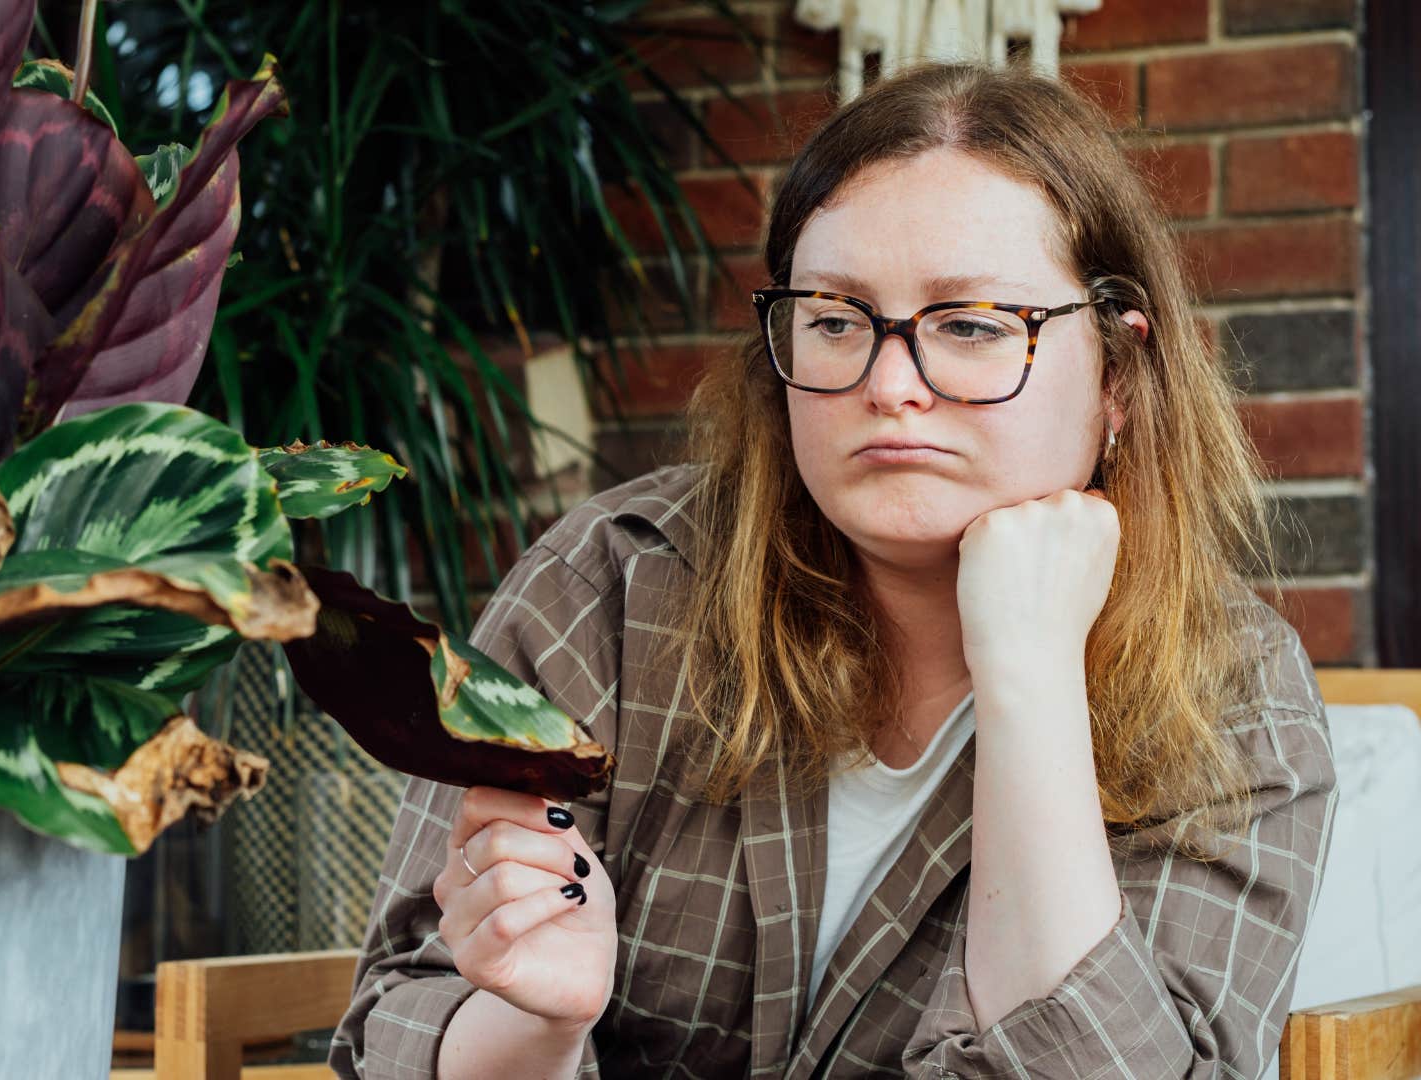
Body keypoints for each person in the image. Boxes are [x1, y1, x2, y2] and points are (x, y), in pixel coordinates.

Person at [327, 60, 1337, 1079]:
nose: (890, 384)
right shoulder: (613, 586)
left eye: (971, 325)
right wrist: (535, 1028)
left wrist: (1031, 676)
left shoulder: (1234, 695)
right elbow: (397, 1022)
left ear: (1117, 373)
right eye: (836, 321)